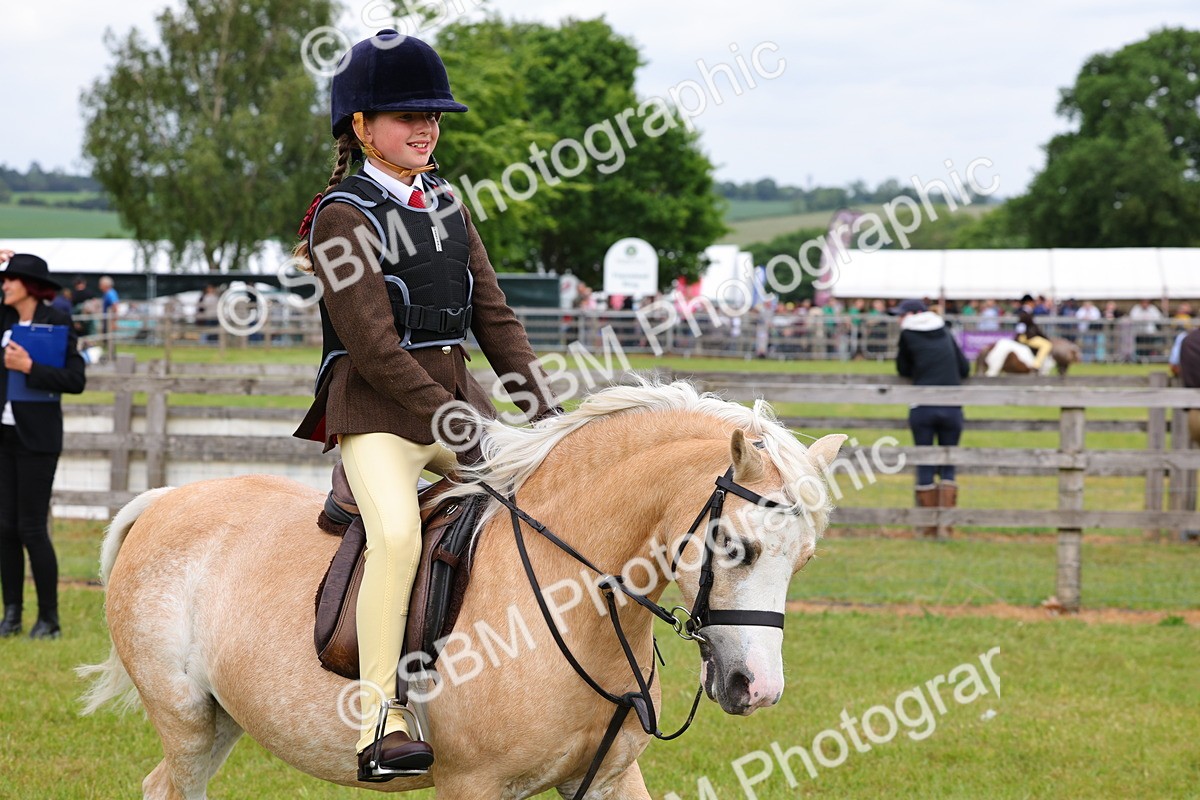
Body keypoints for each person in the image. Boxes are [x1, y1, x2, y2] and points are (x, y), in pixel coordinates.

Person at [290, 30, 559, 781]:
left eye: (433, 116)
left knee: (545, 510)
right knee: (400, 539)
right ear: (359, 126)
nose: (426, 128)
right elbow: (375, 348)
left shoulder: (447, 202)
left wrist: (550, 420)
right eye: (407, 115)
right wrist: (458, 418)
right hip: (378, 416)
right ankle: (382, 716)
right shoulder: (341, 216)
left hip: (455, 406)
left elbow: (497, 322)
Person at [0, 254, 87, 639]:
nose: (4, 285)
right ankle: (12, 614)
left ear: (28, 285)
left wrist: (29, 368)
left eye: (9, 280)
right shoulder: (3, 319)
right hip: (4, 436)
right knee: (4, 529)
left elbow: (74, 379)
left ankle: (48, 619)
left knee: (32, 528)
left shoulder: (58, 321)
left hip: (37, 438)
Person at [894, 298, 969, 537]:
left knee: (925, 461)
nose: (899, 319)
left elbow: (903, 369)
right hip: (952, 407)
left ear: (914, 313)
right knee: (948, 463)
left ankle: (927, 527)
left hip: (923, 406)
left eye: (901, 314)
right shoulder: (945, 329)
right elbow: (964, 368)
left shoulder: (907, 334)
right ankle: (945, 525)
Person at [1014, 294, 1052, 370]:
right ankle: (1036, 365)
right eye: (1032, 302)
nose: (1034, 304)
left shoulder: (1026, 312)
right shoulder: (1025, 313)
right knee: (1047, 345)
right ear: (1028, 302)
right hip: (1026, 337)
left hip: (1026, 336)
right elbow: (1021, 328)